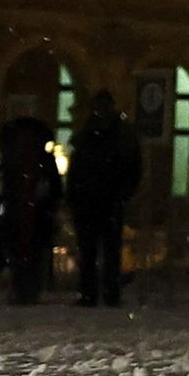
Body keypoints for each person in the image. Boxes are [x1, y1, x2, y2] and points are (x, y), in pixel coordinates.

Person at [64, 89, 142, 307]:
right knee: (99, 250)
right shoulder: (100, 132)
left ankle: (99, 292)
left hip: (101, 198)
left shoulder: (101, 133)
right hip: (98, 199)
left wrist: (122, 192)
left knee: (100, 249)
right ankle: (102, 292)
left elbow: (77, 167)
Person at [0, 111, 62, 305]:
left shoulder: (29, 160)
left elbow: (54, 187)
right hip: (22, 212)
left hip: (33, 214)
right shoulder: (19, 160)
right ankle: (25, 289)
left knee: (28, 252)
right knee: (22, 252)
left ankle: (27, 289)